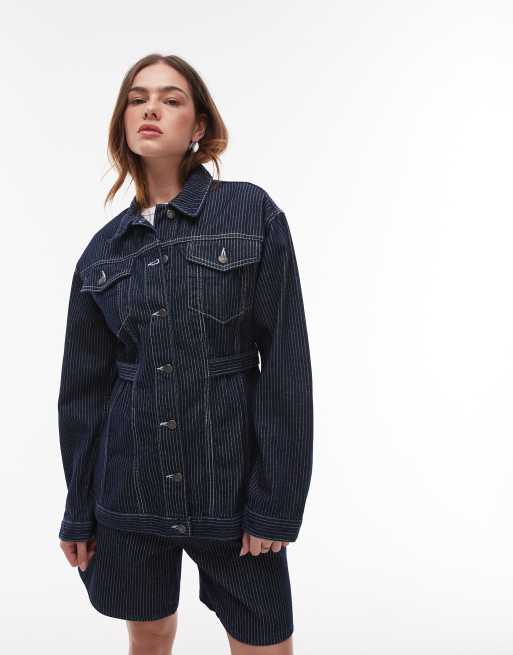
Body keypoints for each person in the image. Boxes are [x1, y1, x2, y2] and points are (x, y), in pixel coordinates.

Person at [57, 53, 314, 654]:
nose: (151, 108)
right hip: (130, 492)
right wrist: (78, 510)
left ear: (198, 125)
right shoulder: (102, 253)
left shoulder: (250, 212)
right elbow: (84, 395)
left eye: (171, 99)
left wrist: (275, 503)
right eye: (138, 98)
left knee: (263, 640)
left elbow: (285, 365)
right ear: (123, 122)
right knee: (148, 634)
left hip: (231, 489)